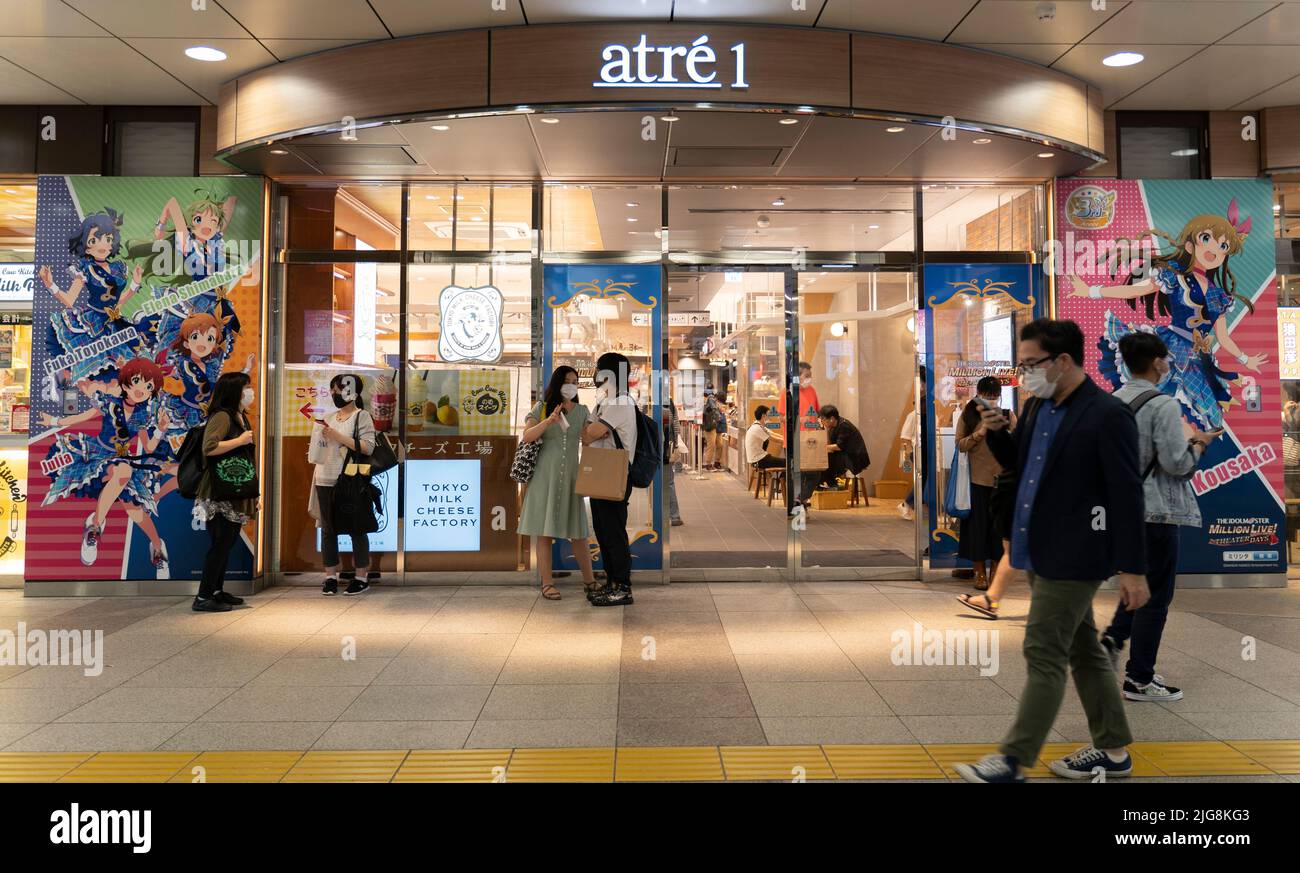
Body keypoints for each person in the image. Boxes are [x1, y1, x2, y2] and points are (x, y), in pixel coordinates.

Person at [954, 318, 1150, 783]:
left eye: (1031, 364)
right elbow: (1019, 464)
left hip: (1076, 553)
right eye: (1020, 366)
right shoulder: (1040, 407)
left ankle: (1012, 760)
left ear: (1063, 361)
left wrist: (1133, 568)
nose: (1023, 375)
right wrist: (997, 430)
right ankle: (1114, 750)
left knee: (1043, 652)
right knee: (1084, 649)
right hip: (1036, 546)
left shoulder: (1106, 415)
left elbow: (1127, 494)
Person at [1101, 332, 1219, 702]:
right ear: (1156, 363)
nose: (1168, 364)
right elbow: (1177, 463)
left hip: (1122, 509)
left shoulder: (1111, 401)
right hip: (1156, 511)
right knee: (1156, 596)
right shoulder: (1162, 404)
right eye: (1166, 359)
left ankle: (1112, 640)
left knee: (1138, 583)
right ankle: (1139, 677)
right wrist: (1199, 442)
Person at [518, 366, 599, 600]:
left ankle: (590, 581)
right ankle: (547, 582)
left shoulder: (583, 411)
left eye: (574, 381)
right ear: (557, 383)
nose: (571, 385)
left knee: (578, 532)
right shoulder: (541, 408)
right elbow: (527, 436)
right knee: (544, 532)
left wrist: (599, 432)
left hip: (572, 478)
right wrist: (548, 421)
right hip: (544, 478)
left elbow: (587, 439)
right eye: (566, 381)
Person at [192, 372, 257, 612]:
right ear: (234, 391)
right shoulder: (222, 416)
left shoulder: (241, 417)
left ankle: (217, 591)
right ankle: (203, 596)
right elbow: (209, 447)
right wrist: (239, 441)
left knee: (226, 543)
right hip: (219, 490)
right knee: (220, 543)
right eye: (246, 388)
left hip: (235, 487)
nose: (250, 392)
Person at [309, 374, 376, 596]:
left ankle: (361, 576)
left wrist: (336, 436)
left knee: (357, 528)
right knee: (328, 530)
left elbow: (367, 447)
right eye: (333, 390)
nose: (334, 394)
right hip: (323, 477)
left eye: (338, 390)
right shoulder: (328, 417)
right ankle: (330, 576)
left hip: (350, 479)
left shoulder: (362, 416)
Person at [582, 352, 637, 607]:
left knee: (613, 532)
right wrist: (590, 432)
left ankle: (623, 587)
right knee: (603, 531)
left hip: (615, 474)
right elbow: (587, 435)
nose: (596, 374)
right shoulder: (606, 402)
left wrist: (591, 431)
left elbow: (590, 432)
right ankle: (611, 583)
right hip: (602, 472)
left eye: (600, 369)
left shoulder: (621, 403)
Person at [955, 376, 1017, 590]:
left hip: (1003, 482)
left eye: (994, 397)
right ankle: (979, 572)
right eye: (987, 397)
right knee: (978, 529)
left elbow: (1018, 447)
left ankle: (995, 574)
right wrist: (980, 433)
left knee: (999, 531)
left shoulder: (1008, 415)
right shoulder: (969, 414)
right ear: (979, 395)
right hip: (977, 480)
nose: (991, 400)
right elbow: (960, 445)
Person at [797, 405, 870, 506]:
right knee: (822, 462)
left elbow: (839, 446)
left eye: (823, 419)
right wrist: (824, 430)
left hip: (855, 457)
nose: (821, 422)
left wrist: (820, 448)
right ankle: (828, 486)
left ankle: (826, 486)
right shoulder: (832, 425)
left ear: (831, 419)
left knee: (823, 463)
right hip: (844, 454)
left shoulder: (844, 426)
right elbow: (828, 444)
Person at [662, 392, 683, 526]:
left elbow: (674, 424)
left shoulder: (648, 402)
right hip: (666, 447)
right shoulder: (668, 402)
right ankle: (674, 516)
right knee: (669, 482)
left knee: (662, 483)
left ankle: (668, 516)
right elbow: (676, 426)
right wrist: (675, 442)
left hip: (659, 449)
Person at [745, 405, 783, 472]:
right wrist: (786, 441)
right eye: (768, 415)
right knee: (787, 463)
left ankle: (779, 479)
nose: (769, 418)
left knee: (784, 462)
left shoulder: (758, 425)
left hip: (759, 458)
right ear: (763, 416)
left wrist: (785, 438)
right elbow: (773, 439)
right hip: (759, 460)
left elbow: (773, 434)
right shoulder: (757, 428)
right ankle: (782, 480)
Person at [700, 385, 724, 470]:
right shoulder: (711, 400)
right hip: (710, 426)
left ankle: (717, 462)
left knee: (720, 444)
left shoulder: (713, 400)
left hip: (717, 426)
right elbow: (714, 410)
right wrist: (719, 417)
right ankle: (708, 463)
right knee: (711, 445)